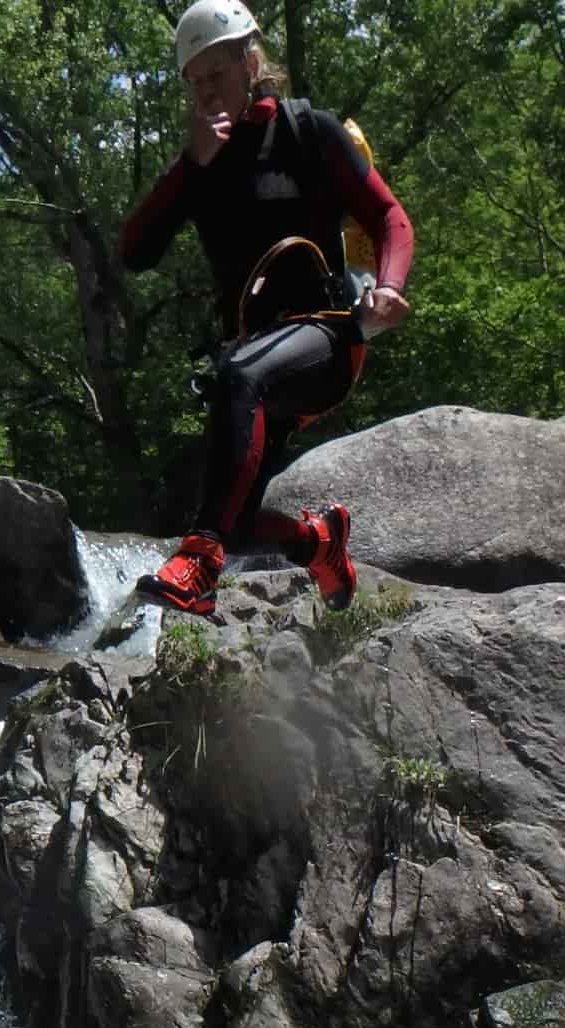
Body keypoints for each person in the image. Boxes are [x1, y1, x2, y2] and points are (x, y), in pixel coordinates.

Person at [119, 0, 414, 617]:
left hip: (326, 337)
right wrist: (188, 166)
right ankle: (319, 543)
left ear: (250, 61)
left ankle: (197, 566)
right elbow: (133, 251)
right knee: (239, 515)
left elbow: (388, 215)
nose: (206, 91)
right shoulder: (200, 162)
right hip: (251, 359)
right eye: (194, 82)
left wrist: (387, 284)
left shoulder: (311, 132)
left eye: (217, 74)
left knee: (238, 379)